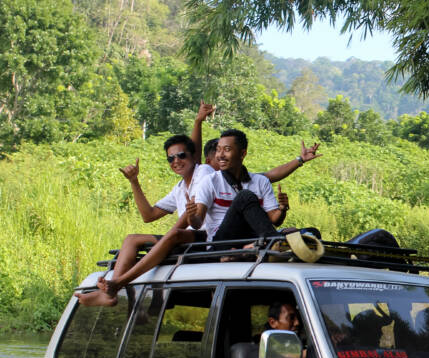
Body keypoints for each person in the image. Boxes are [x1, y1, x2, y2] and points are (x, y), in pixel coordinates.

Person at [74, 102, 217, 307]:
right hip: (188, 236)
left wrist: (198, 122)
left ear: (193, 157)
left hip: (205, 235)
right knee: (131, 239)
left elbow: (188, 218)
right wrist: (134, 181)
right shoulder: (179, 187)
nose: (176, 160)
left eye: (181, 155)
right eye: (170, 158)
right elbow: (149, 215)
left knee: (175, 234)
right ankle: (109, 294)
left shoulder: (203, 173)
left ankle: (117, 283)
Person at [187, 129, 286, 244]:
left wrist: (283, 209)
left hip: (251, 237)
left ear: (243, 154)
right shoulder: (210, 181)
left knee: (307, 232)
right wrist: (192, 216)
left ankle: (259, 245)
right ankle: (274, 243)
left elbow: (275, 220)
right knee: (245, 196)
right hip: (222, 242)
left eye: (227, 150)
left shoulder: (261, 181)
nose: (220, 155)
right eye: (218, 150)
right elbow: (197, 223)